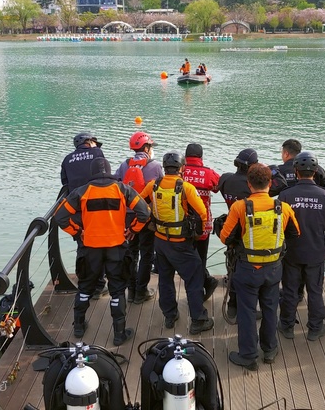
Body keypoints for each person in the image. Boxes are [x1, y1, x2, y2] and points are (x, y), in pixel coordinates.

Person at [54, 157, 151, 345]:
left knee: (85, 287)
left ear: (92, 174)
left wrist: (77, 232)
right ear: (110, 172)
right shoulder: (122, 189)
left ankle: (79, 326)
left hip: (90, 248)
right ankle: (119, 333)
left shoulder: (81, 192)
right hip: (116, 247)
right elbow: (144, 212)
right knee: (117, 290)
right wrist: (133, 230)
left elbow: (60, 217)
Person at [219, 164, 300, 370]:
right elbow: (294, 234)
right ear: (270, 183)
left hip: (247, 269)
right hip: (273, 268)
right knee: (270, 308)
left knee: (246, 312)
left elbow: (225, 238)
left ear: (249, 184)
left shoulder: (239, 207)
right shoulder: (283, 208)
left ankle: (248, 355)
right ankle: (270, 350)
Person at [139, 151, 214, 335]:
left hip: (160, 241)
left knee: (165, 279)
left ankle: (170, 315)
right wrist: (197, 233)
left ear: (165, 168)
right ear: (182, 168)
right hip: (181, 242)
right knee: (194, 277)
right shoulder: (186, 188)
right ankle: (198, 319)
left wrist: (151, 221)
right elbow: (202, 213)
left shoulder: (153, 185)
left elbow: (139, 204)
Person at [277, 151, 325, 341]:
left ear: (296, 171)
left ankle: (286, 325)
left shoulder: (285, 195)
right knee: (315, 291)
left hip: (292, 253)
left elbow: (279, 227)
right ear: (316, 171)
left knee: (290, 290)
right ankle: (315, 328)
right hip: (316, 253)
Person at [114, 131, 164, 304]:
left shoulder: (124, 164)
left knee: (131, 252)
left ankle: (131, 290)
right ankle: (141, 291)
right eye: (150, 146)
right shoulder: (156, 166)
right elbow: (162, 189)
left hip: (127, 217)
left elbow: (115, 183)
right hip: (146, 216)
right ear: (146, 147)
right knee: (147, 253)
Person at [60, 132, 108, 299]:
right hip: (96, 207)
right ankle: (99, 286)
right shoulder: (97, 153)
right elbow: (104, 176)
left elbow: (65, 184)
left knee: (83, 246)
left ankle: (85, 285)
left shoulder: (67, 159)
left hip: (77, 209)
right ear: (89, 142)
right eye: (95, 142)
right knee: (99, 245)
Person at [218, 148, 258, 321]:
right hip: (249, 233)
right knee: (248, 272)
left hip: (230, 229)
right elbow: (279, 185)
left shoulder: (225, 179)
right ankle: (245, 308)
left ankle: (232, 305)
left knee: (232, 268)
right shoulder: (251, 186)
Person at [183, 143, 220, 302]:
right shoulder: (208, 173)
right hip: (203, 224)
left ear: (185, 157)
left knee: (186, 259)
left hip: (182, 223)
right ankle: (204, 284)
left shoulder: (179, 171)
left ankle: (199, 288)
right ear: (201, 157)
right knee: (201, 257)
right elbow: (218, 186)